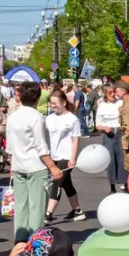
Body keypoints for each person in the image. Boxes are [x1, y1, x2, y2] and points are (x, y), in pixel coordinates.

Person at [6, 81, 61, 242]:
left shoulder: (13, 116)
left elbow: (10, 146)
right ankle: (35, 240)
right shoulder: (37, 117)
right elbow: (41, 146)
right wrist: (53, 167)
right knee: (37, 206)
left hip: (18, 164)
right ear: (37, 98)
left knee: (20, 205)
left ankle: (20, 239)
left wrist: (11, 165)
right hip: (36, 166)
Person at [44, 89, 84, 222]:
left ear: (64, 102)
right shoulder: (49, 118)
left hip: (66, 156)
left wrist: (73, 158)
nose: (53, 106)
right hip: (53, 156)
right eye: (51, 103)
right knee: (66, 183)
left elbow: (75, 139)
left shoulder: (72, 119)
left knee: (57, 183)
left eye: (55, 103)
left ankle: (48, 214)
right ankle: (77, 210)